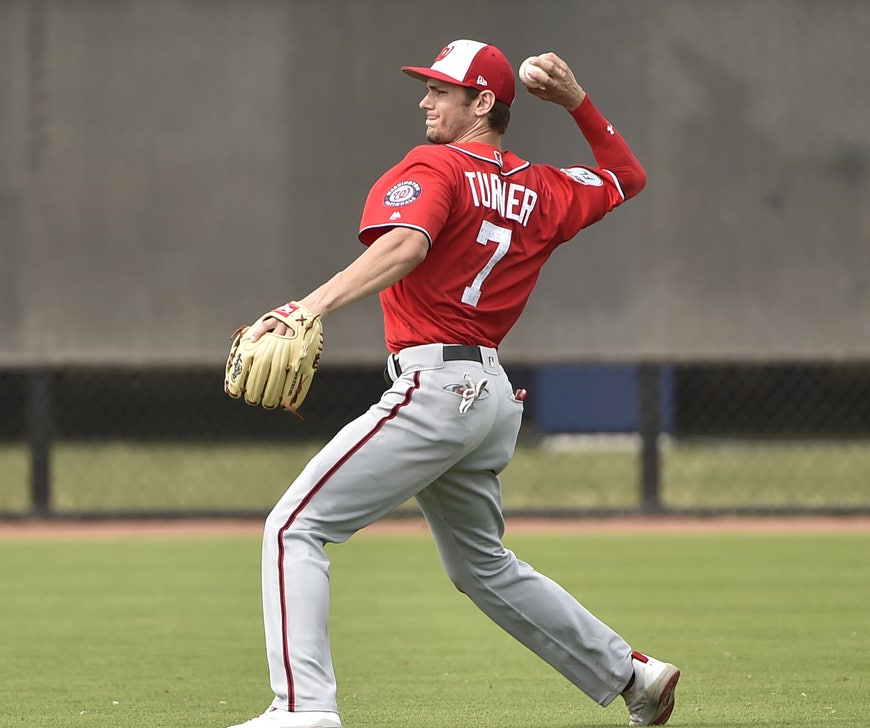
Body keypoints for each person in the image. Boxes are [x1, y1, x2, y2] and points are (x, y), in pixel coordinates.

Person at [227, 39, 679, 728]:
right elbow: (626, 175)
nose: (426, 101)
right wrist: (578, 103)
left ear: (483, 103)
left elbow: (407, 243)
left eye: (441, 90)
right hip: (488, 397)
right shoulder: (544, 188)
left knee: (295, 526)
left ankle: (303, 708)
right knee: (482, 567)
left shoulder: (435, 164)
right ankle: (633, 675)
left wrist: (306, 307)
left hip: (436, 388)